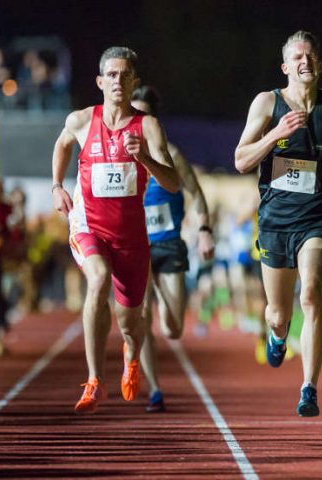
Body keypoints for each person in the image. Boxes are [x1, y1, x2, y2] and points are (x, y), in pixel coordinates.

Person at [51, 47, 180, 414]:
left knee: (130, 322)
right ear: (100, 81)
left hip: (131, 236)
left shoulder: (148, 126)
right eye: (111, 74)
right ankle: (94, 380)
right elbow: (61, 145)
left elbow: (172, 183)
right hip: (88, 225)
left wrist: (145, 158)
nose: (118, 81)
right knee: (98, 278)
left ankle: (131, 353)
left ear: (134, 82)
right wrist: (57, 186)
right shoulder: (80, 120)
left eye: (125, 75)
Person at [234, 31, 322, 417]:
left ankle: (309, 388)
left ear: (319, 64)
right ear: (286, 67)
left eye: (312, 55)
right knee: (279, 312)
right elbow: (240, 160)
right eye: (298, 57)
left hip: (320, 214)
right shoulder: (267, 103)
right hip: (276, 219)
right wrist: (276, 134)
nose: (306, 61)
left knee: (311, 295)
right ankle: (276, 334)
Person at [130, 86, 214, 412]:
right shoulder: (118, 154)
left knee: (172, 327)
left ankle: (160, 317)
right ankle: (154, 391)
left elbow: (196, 194)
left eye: (143, 115)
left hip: (168, 244)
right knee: (142, 318)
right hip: (135, 245)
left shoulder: (172, 155)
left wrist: (204, 230)